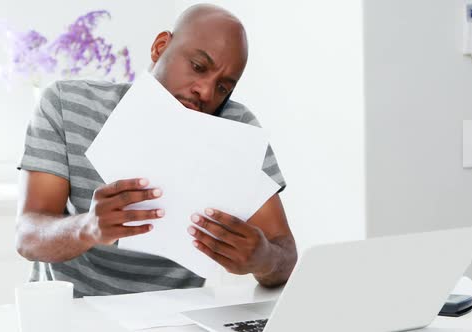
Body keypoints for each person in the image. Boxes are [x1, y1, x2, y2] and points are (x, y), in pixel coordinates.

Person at [16, 3, 297, 297]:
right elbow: (27, 236)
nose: (206, 92)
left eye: (223, 88)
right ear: (160, 47)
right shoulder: (66, 104)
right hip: (74, 313)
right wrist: (88, 227)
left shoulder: (238, 131)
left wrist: (263, 258)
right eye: (198, 67)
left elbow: (286, 255)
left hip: (175, 317)